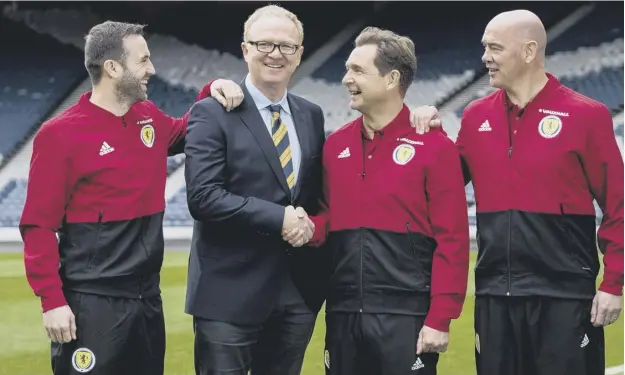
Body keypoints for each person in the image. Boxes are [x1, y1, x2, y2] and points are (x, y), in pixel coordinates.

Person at [19, 20, 243, 375]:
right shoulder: (59, 134)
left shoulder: (147, 117)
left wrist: (212, 88)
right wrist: (52, 302)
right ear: (112, 67)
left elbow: (187, 131)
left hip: (146, 300)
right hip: (92, 304)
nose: (152, 69)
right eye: (143, 60)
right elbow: (38, 227)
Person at [409, 10, 623, 375]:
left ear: (528, 51)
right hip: (494, 297)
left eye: (494, 48)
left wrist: (614, 282)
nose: (484, 58)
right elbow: (444, 181)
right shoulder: (475, 116)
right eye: (484, 48)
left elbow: (619, 206)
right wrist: (431, 137)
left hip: (565, 298)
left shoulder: (588, 116)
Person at [285, 26, 470, 375]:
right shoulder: (334, 145)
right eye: (346, 69)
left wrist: (440, 318)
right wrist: (310, 227)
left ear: (391, 79)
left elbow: (453, 239)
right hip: (342, 313)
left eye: (357, 70)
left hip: (406, 317)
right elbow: (329, 218)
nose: (346, 79)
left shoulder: (435, 147)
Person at [183, 5, 329, 375]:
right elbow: (203, 198)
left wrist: (308, 224)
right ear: (245, 49)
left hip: (297, 292)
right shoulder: (211, 112)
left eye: (286, 46)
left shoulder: (311, 114)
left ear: (299, 54)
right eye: (264, 44)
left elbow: (309, 196)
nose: (275, 54)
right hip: (228, 294)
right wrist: (278, 217)